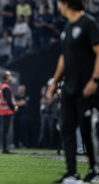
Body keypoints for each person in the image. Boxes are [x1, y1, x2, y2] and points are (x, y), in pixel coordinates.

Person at [47, 0, 99, 183]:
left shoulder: (89, 23)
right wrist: (54, 82)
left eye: (60, 2)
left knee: (86, 129)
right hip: (68, 87)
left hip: (86, 87)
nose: (58, 6)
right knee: (66, 128)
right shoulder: (67, 27)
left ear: (67, 3)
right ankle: (71, 173)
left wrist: (95, 79)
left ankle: (94, 171)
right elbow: (64, 57)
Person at [0, 71, 15, 154]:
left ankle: (5, 147)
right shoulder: (6, 87)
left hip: (3, 111)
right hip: (6, 111)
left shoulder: (3, 86)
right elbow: (8, 101)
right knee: (5, 131)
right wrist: (13, 108)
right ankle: (5, 148)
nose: (11, 77)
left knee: (4, 131)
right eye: (10, 76)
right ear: (7, 77)